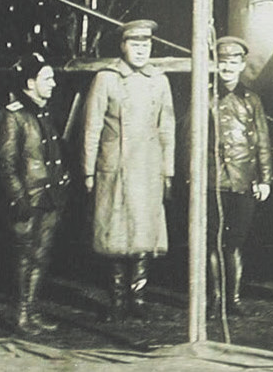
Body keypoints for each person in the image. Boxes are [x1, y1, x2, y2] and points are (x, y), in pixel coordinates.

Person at [83, 19, 176, 322]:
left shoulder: (159, 81)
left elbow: (167, 129)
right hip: (116, 169)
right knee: (115, 236)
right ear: (123, 46)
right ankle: (117, 299)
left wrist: (168, 171)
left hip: (148, 169)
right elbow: (92, 128)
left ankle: (138, 298)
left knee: (144, 234)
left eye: (145, 44)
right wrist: (88, 171)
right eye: (134, 44)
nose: (140, 50)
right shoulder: (106, 79)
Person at [0, 52, 70, 335]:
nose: (53, 84)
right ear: (29, 83)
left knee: (41, 255)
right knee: (24, 257)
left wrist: (63, 179)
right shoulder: (13, 116)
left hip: (49, 197)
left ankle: (32, 310)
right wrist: (18, 197)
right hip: (29, 199)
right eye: (47, 78)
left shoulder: (44, 112)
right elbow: (5, 161)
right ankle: (21, 315)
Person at [206, 35, 273, 317]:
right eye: (223, 61)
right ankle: (215, 299)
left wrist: (265, 178)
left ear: (242, 65)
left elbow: (262, 141)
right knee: (212, 242)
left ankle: (232, 299)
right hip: (212, 180)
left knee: (235, 242)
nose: (228, 67)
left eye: (234, 62)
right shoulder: (204, 96)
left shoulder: (251, 99)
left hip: (243, 180)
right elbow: (189, 138)